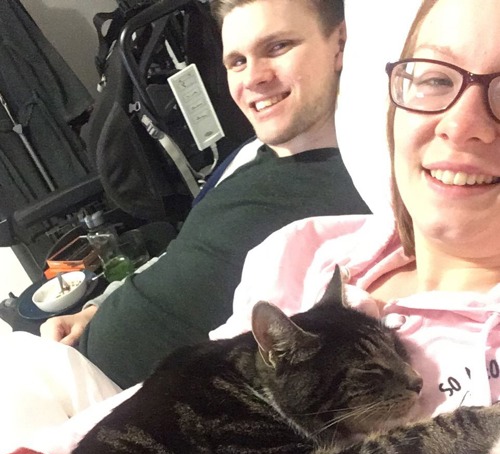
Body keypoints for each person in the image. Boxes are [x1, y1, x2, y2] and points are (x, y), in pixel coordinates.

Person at [3, 0, 500, 454]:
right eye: (436, 79)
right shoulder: (303, 240)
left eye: (279, 46)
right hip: (87, 410)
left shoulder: (327, 185)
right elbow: (191, 389)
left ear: (344, 47)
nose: (461, 124)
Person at [39, 0, 369, 390]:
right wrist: (97, 311)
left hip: (115, 407)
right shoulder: (249, 155)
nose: (254, 79)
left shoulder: (364, 187)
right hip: (70, 352)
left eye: (278, 47)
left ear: (341, 44)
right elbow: (184, 261)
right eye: (237, 62)